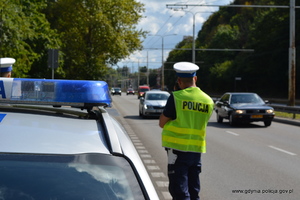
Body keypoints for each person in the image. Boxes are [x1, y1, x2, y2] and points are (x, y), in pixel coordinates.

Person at [159, 62, 214, 200]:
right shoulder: (208, 101)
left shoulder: (176, 97)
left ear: (179, 80)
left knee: (179, 191)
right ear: (195, 78)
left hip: (176, 150)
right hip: (196, 150)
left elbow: (162, 123)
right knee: (193, 189)